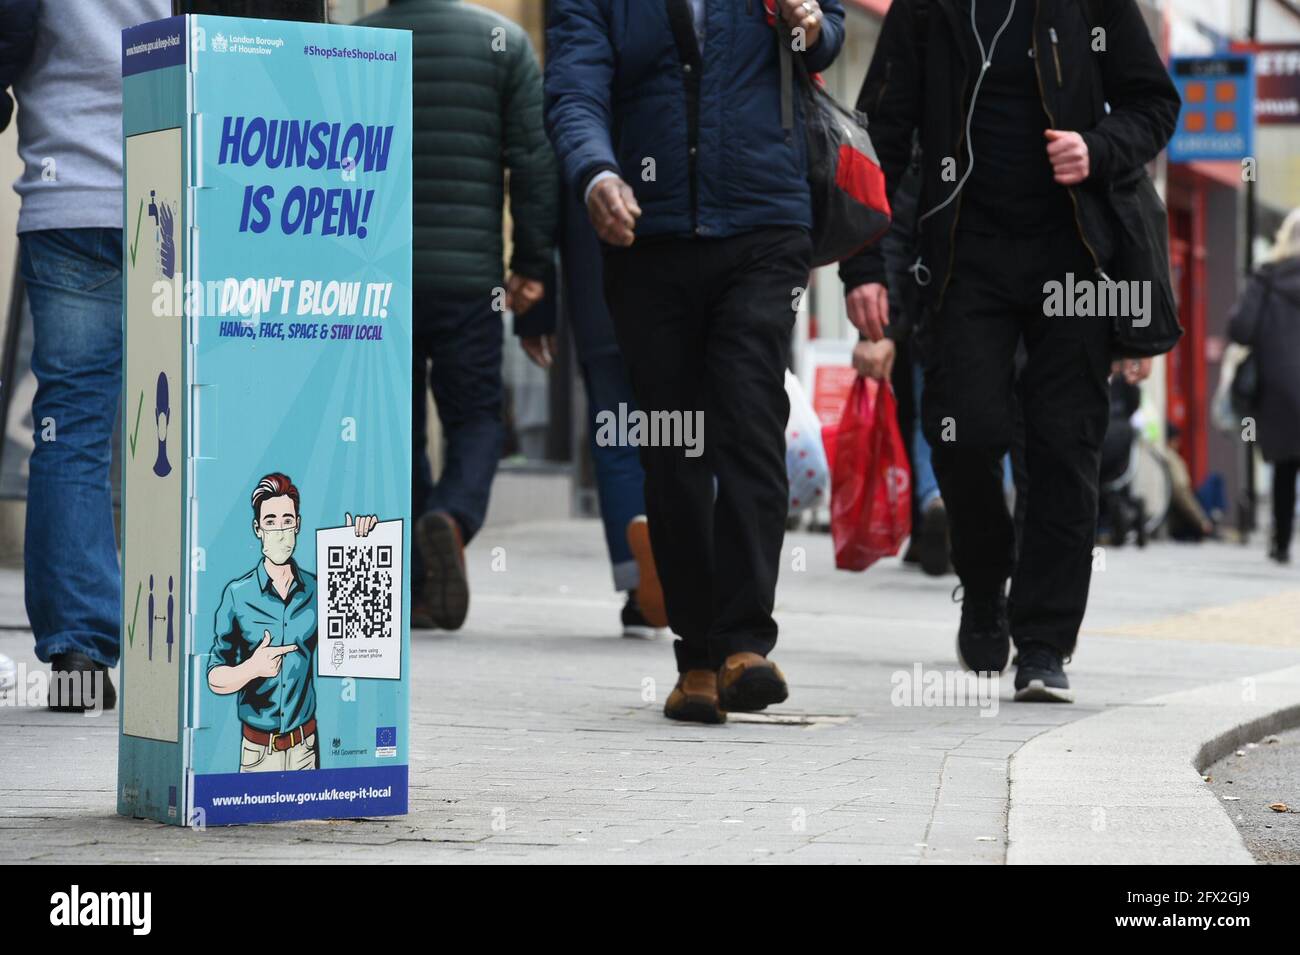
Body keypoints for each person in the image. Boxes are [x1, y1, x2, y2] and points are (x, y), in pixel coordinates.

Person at [844, 0, 1179, 702]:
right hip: (967, 259)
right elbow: (880, 134)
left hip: (1075, 257)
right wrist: (865, 266)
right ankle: (984, 576)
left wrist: (1099, 147)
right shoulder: (929, 10)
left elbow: (1153, 103)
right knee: (964, 432)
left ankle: (1044, 643)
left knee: (1064, 446)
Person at [546, 0, 847, 724]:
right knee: (674, 447)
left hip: (764, 225)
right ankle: (697, 657)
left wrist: (811, 26)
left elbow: (828, 30)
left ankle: (745, 641)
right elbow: (575, 84)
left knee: (748, 421)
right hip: (648, 238)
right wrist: (595, 172)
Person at [359, 0, 558, 631]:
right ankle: (452, 516)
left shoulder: (351, 43)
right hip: (471, 280)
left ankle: (416, 587)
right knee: (476, 417)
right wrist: (531, 265)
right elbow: (533, 163)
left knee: (398, 430)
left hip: (377, 274)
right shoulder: (503, 41)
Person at [7, 0, 171, 712]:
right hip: (181, 188)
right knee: (190, 413)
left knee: (70, 425)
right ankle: (201, 637)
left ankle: (79, 650)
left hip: (68, 191)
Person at [516, 184, 668, 638]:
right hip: (674, 300)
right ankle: (689, 568)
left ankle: (638, 592)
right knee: (685, 436)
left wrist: (535, 314)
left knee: (619, 442)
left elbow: (540, 198)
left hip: (599, 296)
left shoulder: (581, 118)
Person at [848, 143, 951, 577]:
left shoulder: (914, 155)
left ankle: (932, 503)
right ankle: (971, 511)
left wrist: (884, 329)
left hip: (925, 310)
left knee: (926, 415)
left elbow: (896, 234)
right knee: (985, 415)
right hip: (959, 310)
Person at [1229, 207, 1300, 565]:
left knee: (1284, 467)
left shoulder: (1266, 277)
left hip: (1277, 388)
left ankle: (1281, 541)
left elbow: (1240, 328)